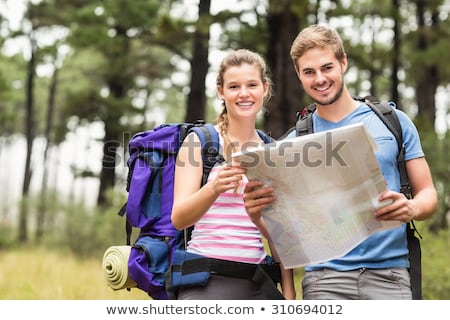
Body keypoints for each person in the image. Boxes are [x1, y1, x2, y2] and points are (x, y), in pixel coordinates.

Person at [243, 25, 438, 300]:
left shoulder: (392, 121)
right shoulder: (292, 144)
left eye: (327, 67)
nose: (320, 79)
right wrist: (257, 216)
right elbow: (287, 236)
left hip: (391, 278)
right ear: (298, 74)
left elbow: (428, 193)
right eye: (309, 72)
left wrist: (411, 207)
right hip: (325, 282)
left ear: (343, 62)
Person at [171, 49, 296, 300]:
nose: (244, 93)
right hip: (205, 279)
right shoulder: (201, 142)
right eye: (234, 86)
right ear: (221, 91)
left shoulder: (270, 151)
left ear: (264, 88)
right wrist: (213, 188)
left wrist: (289, 292)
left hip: (258, 279)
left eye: (252, 85)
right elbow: (179, 218)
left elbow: (279, 232)